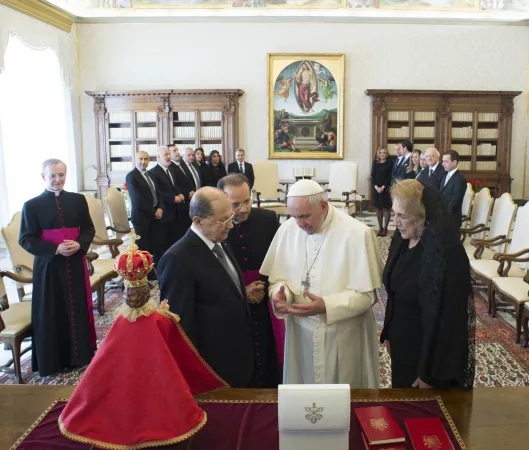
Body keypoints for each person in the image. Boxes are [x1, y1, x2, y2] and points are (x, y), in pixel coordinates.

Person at [59, 234, 228, 449]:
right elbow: (179, 350)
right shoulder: (160, 319)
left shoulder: (123, 322)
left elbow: (104, 364)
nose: (134, 297)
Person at [260, 180, 383, 387]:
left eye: (305, 216)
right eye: (294, 217)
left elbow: (367, 296)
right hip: (301, 333)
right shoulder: (288, 231)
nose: (299, 224)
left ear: (323, 206)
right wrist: (280, 294)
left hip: (344, 335)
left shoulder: (357, 233)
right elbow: (278, 279)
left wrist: (326, 305)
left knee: (345, 398)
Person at [381, 179, 475, 390]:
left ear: (423, 216)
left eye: (403, 216)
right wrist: (389, 332)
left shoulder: (447, 253)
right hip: (401, 345)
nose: (395, 222)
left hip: (429, 356)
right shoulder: (402, 241)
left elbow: (451, 320)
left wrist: (429, 373)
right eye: (394, 213)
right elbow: (394, 293)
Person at [157, 187, 255, 387]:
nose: (230, 225)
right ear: (198, 222)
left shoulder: (220, 241)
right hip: (212, 366)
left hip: (237, 355)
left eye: (230, 217)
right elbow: (180, 328)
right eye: (223, 220)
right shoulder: (177, 259)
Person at [19, 159, 96, 377]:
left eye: (61, 175)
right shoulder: (31, 205)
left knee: (77, 308)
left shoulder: (78, 200)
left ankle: (79, 356)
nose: (58, 179)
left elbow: (89, 229)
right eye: (52, 175)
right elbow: (26, 239)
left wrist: (80, 243)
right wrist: (54, 249)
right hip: (49, 268)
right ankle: (54, 360)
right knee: (52, 311)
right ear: (43, 177)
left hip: (75, 262)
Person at [218, 173, 281, 387]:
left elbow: (281, 258)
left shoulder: (268, 219)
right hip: (232, 299)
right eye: (235, 205)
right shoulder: (215, 226)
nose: (243, 209)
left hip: (267, 296)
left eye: (247, 201)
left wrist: (268, 287)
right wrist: (241, 291)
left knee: (269, 347)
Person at [125, 151, 164, 272]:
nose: (143, 162)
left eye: (146, 159)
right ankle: (143, 276)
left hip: (154, 216)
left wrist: (160, 207)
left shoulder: (150, 174)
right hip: (142, 218)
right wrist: (154, 212)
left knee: (154, 247)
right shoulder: (131, 176)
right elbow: (138, 200)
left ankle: (152, 272)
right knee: (143, 249)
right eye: (140, 159)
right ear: (135, 160)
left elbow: (159, 193)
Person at [149, 146, 185, 249]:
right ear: (158, 157)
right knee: (164, 245)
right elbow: (158, 192)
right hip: (164, 214)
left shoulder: (170, 170)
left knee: (175, 242)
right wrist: (172, 198)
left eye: (169, 154)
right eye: (166, 155)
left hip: (175, 213)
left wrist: (179, 193)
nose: (169, 156)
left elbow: (174, 186)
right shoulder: (153, 172)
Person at [440, 150, 467, 228]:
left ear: (454, 162)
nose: (442, 164)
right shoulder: (444, 175)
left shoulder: (460, 179)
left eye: (445, 161)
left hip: (451, 220)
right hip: (442, 217)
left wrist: (441, 214)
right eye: (442, 161)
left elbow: (455, 202)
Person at [371, 147, 393, 237]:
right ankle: (380, 227)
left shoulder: (390, 163)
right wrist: (376, 187)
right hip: (376, 189)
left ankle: (385, 228)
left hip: (385, 188)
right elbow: (373, 175)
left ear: (386, 154)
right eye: (380, 153)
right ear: (378, 154)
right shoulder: (375, 162)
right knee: (378, 208)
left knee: (386, 208)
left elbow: (389, 177)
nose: (382, 154)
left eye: (384, 153)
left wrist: (383, 187)